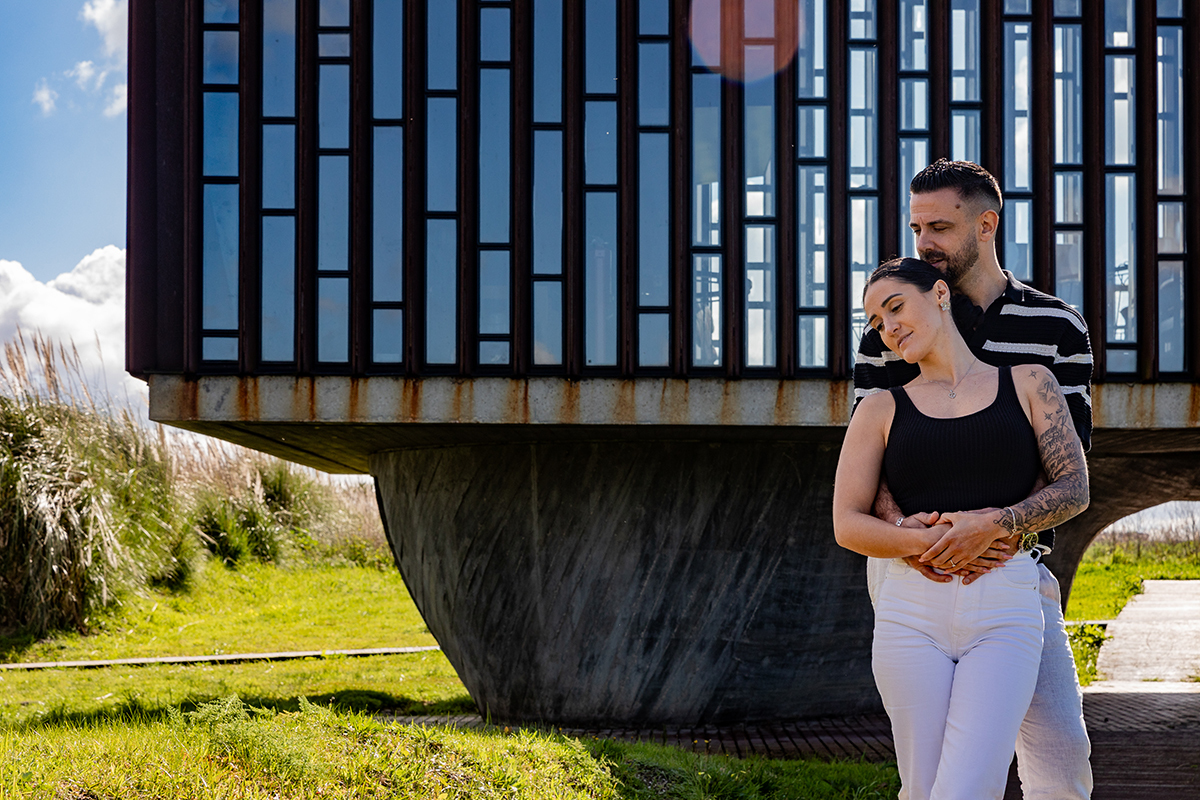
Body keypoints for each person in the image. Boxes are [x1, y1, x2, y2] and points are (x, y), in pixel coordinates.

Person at [855, 160, 1095, 799]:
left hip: (1014, 565)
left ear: (986, 224)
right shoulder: (890, 329)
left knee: (1059, 755)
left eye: (940, 226)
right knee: (932, 773)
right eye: (916, 228)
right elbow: (872, 449)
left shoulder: (1056, 329)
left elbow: (1064, 459)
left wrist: (994, 528)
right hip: (913, 563)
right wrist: (919, 534)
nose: (924, 243)